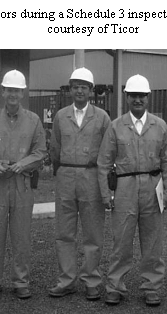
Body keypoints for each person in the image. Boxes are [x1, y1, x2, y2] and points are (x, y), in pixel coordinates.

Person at [97, 74, 167, 306]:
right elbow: (103, 163)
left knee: (153, 241)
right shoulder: (115, 126)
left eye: (142, 95)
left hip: (152, 187)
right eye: (133, 96)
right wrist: (105, 194)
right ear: (127, 97)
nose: (138, 100)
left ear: (148, 97)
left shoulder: (159, 126)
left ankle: (152, 286)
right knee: (121, 240)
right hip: (124, 188)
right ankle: (114, 286)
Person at [0, 69, 47, 299]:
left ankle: (21, 281)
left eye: (17, 90)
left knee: (22, 235)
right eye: (9, 90)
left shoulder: (34, 120)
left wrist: (24, 164)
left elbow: (41, 152)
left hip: (21, 183)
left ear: (22, 93)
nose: (13, 94)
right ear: (3, 92)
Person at [48, 68, 111, 301]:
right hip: (65, 174)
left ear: (91, 90)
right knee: (64, 232)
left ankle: (91, 280)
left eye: (84, 86)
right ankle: (66, 280)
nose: (80, 90)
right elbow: (54, 147)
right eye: (76, 86)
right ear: (70, 89)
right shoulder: (60, 116)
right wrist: (61, 170)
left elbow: (107, 151)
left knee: (93, 233)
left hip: (91, 176)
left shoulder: (102, 117)